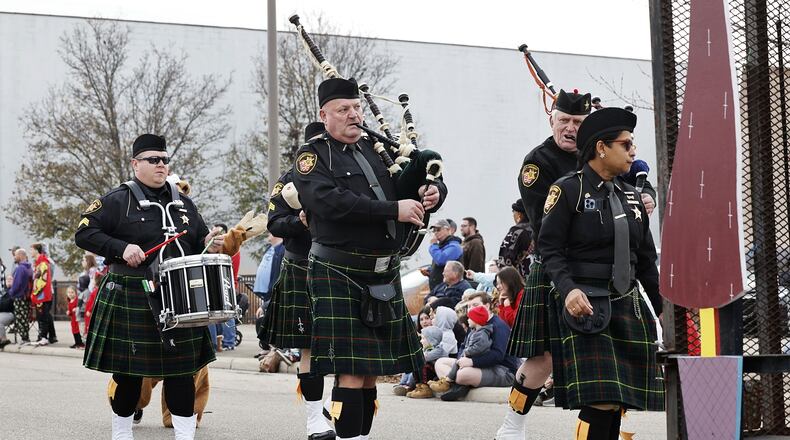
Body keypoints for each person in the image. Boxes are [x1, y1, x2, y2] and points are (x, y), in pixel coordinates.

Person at [292, 77, 447, 440]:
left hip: (381, 272)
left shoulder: (375, 149)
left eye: (357, 108)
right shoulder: (312, 156)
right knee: (350, 370)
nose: (354, 115)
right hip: (338, 270)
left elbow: (411, 181)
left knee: (369, 372)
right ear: (324, 115)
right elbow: (330, 202)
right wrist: (393, 209)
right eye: (343, 109)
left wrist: (433, 191)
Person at [75, 133, 223, 439]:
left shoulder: (183, 203)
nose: (161, 165)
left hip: (178, 296)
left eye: (165, 160)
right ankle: (122, 434)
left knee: (182, 373)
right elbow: (84, 233)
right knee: (128, 375)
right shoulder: (117, 200)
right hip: (132, 292)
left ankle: (184, 436)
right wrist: (121, 248)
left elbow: (198, 241)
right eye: (153, 160)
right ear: (135, 164)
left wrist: (210, 241)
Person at [539, 107, 663, 438]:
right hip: (587, 302)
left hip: (627, 303)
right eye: (626, 144)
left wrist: (664, 310)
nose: (633, 152)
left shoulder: (632, 197)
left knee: (617, 400)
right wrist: (568, 289)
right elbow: (549, 249)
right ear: (601, 148)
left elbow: (646, 260)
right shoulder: (568, 189)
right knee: (602, 399)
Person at [260, 121, 335, 440]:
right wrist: (300, 221)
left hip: (340, 266)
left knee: (346, 348)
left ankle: (337, 408)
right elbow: (274, 223)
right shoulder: (289, 180)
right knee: (308, 347)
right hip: (302, 265)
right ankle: (314, 419)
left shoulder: (345, 176)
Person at [431, 292, 521, 401]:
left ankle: (459, 384)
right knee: (440, 363)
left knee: (462, 374)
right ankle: (459, 386)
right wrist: (461, 360)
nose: (471, 309)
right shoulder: (474, 323)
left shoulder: (499, 325)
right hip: (478, 365)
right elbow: (463, 346)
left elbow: (498, 355)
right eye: (469, 306)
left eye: (475, 305)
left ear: (487, 306)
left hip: (502, 370)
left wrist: (472, 362)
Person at [406, 306, 458, 399]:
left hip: (439, 372)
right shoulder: (430, 345)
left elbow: (426, 357)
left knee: (421, 363)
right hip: (433, 370)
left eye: (433, 317)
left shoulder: (441, 345)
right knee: (416, 365)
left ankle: (425, 388)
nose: (421, 341)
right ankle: (418, 386)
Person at [437, 305, 493, 388]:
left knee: (458, 363)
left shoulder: (482, 334)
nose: (468, 320)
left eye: (470, 318)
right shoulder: (474, 332)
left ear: (476, 321)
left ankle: (449, 379)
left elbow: (480, 347)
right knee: (457, 362)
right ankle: (449, 379)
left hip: (476, 358)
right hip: (470, 355)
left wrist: (467, 352)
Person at [498, 200, 533, 279]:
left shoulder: (516, 231)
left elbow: (505, 260)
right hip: (538, 278)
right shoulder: (538, 230)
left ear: (519, 214)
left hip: (520, 280)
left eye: (513, 211)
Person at [424, 219, 463, 290]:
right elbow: (442, 266)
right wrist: (431, 270)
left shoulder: (454, 246)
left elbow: (441, 260)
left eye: (438, 229)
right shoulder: (441, 246)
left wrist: (433, 245)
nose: (435, 232)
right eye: (434, 230)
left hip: (449, 290)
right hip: (438, 289)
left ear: (448, 229)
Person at [30, 242, 56, 346]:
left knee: (43, 316)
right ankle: (44, 336)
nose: (30, 252)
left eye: (32, 249)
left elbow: (44, 280)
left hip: (43, 294)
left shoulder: (44, 263)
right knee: (41, 316)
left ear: (37, 250)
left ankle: (44, 337)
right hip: (40, 294)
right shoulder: (38, 263)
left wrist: (36, 291)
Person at [7, 248, 32, 344]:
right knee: (24, 318)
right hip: (26, 296)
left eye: (15, 255)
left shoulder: (20, 268)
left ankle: (24, 338)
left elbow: (17, 284)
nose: (14, 257)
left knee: (20, 318)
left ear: (21, 255)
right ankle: (26, 338)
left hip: (20, 297)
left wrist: (10, 292)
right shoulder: (28, 268)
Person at [0, 275, 14, 348]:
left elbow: (8, 304)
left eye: (10, 279)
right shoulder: (4, 291)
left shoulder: (14, 291)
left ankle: (4, 339)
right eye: (7, 279)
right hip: (2, 312)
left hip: (10, 313)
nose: (8, 280)